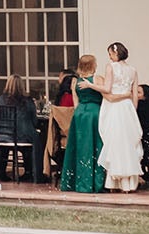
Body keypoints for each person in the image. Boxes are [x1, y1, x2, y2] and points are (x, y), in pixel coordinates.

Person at [95, 41, 143, 192]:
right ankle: (128, 183)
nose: (109, 57)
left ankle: (114, 181)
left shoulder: (111, 67)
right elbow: (135, 96)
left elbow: (108, 88)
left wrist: (92, 86)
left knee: (115, 142)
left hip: (114, 107)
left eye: (110, 54)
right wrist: (131, 110)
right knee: (127, 143)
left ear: (115, 54)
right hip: (127, 107)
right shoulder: (133, 70)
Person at [58, 54, 104, 193]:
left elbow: (75, 102)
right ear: (93, 65)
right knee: (95, 144)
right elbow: (105, 96)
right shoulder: (97, 79)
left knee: (80, 146)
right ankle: (95, 182)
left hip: (80, 114)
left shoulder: (75, 81)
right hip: (94, 113)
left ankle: (77, 182)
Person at [0, 76, 41, 181]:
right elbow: (34, 121)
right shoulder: (28, 101)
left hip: (4, 134)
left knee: (4, 147)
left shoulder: (2, 100)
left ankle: (1, 172)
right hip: (23, 134)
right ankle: (30, 172)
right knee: (37, 140)